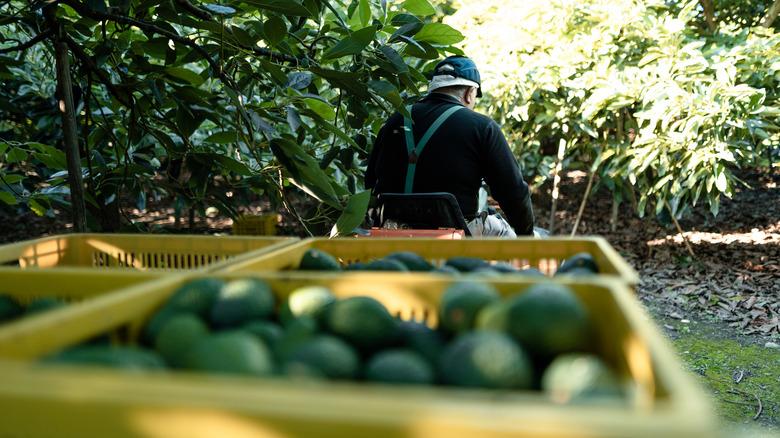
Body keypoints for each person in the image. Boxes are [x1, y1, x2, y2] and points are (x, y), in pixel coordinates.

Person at [364, 55, 535, 237]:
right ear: (470, 93)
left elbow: (370, 182)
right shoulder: (482, 127)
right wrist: (527, 233)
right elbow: (513, 192)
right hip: (453, 236)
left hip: (391, 233)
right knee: (500, 228)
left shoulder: (395, 121)